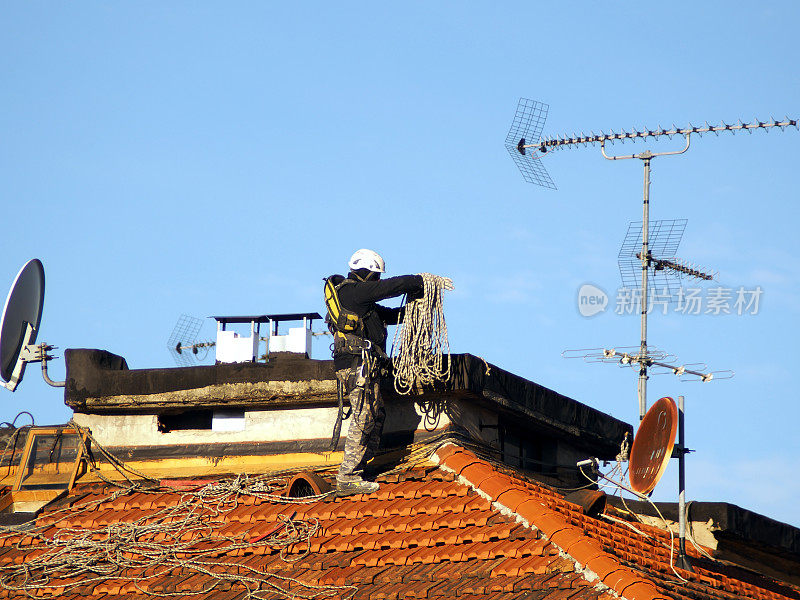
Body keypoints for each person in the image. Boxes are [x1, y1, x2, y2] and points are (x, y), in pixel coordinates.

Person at [325, 249, 439, 496]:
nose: (377, 281)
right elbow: (391, 287)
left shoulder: (362, 302)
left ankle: (362, 469)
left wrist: (418, 309)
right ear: (367, 273)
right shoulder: (352, 291)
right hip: (358, 366)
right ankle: (347, 477)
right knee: (364, 417)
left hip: (364, 366)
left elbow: (388, 315)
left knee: (375, 415)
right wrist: (419, 281)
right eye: (375, 276)